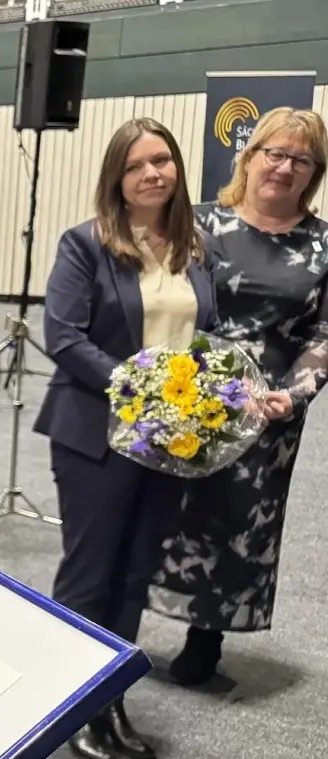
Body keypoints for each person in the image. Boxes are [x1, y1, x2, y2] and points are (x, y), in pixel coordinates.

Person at [33, 117, 221, 759]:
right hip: (98, 435)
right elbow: (63, 336)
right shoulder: (86, 245)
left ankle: (110, 698)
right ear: (117, 176)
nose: (153, 173)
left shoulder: (193, 249)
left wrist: (213, 393)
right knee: (91, 575)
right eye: (138, 164)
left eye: (163, 160)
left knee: (135, 576)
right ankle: (71, 708)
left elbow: (208, 335)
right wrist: (139, 387)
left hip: (169, 440)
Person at [152, 107, 328, 685]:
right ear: (248, 159)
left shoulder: (324, 245)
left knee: (238, 521)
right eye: (273, 153)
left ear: (314, 173)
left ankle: (207, 638)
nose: (284, 167)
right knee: (158, 511)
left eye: (300, 160)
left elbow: (322, 335)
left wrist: (296, 394)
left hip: (268, 409)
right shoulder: (199, 223)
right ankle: (118, 621)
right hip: (185, 392)